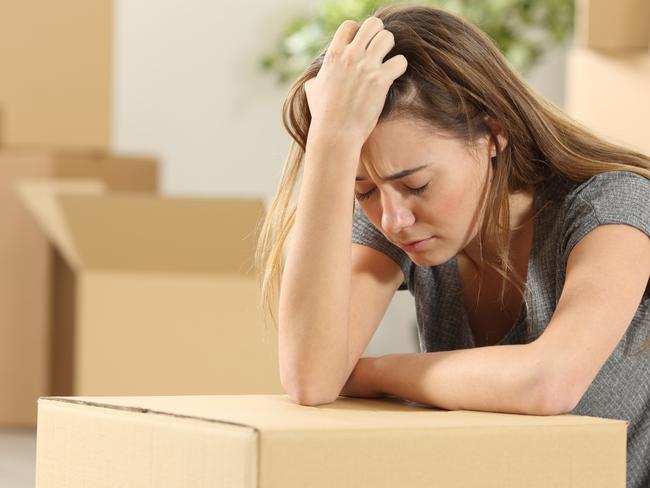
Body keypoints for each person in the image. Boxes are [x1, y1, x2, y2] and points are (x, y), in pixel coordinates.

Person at [254, 5, 650, 487]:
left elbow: (549, 382)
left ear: (493, 133)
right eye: (363, 192)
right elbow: (310, 378)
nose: (395, 219)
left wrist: (372, 373)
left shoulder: (613, 205)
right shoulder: (397, 218)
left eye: (418, 186)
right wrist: (330, 141)